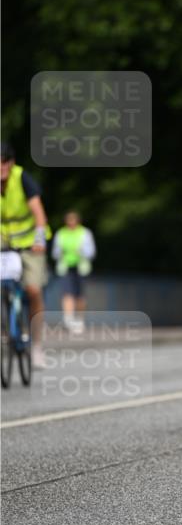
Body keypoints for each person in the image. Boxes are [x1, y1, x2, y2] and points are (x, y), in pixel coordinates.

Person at [0, 142, 50, 366]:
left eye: (4, 163)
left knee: (33, 289)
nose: (1, 168)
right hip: (4, 241)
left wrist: (39, 240)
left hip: (30, 242)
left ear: (11, 163)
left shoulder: (22, 179)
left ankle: (37, 347)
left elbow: (38, 212)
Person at [52, 211, 96, 333]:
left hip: (80, 267)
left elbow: (91, 252)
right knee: (67, 293)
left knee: (80, 295)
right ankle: (68, 319)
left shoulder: (85, 233)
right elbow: (55, 252)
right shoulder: (61, 233)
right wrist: (62, 252)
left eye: (73, 220)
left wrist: (80, 252)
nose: (71, 223)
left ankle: (80, 319)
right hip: (65, 267)